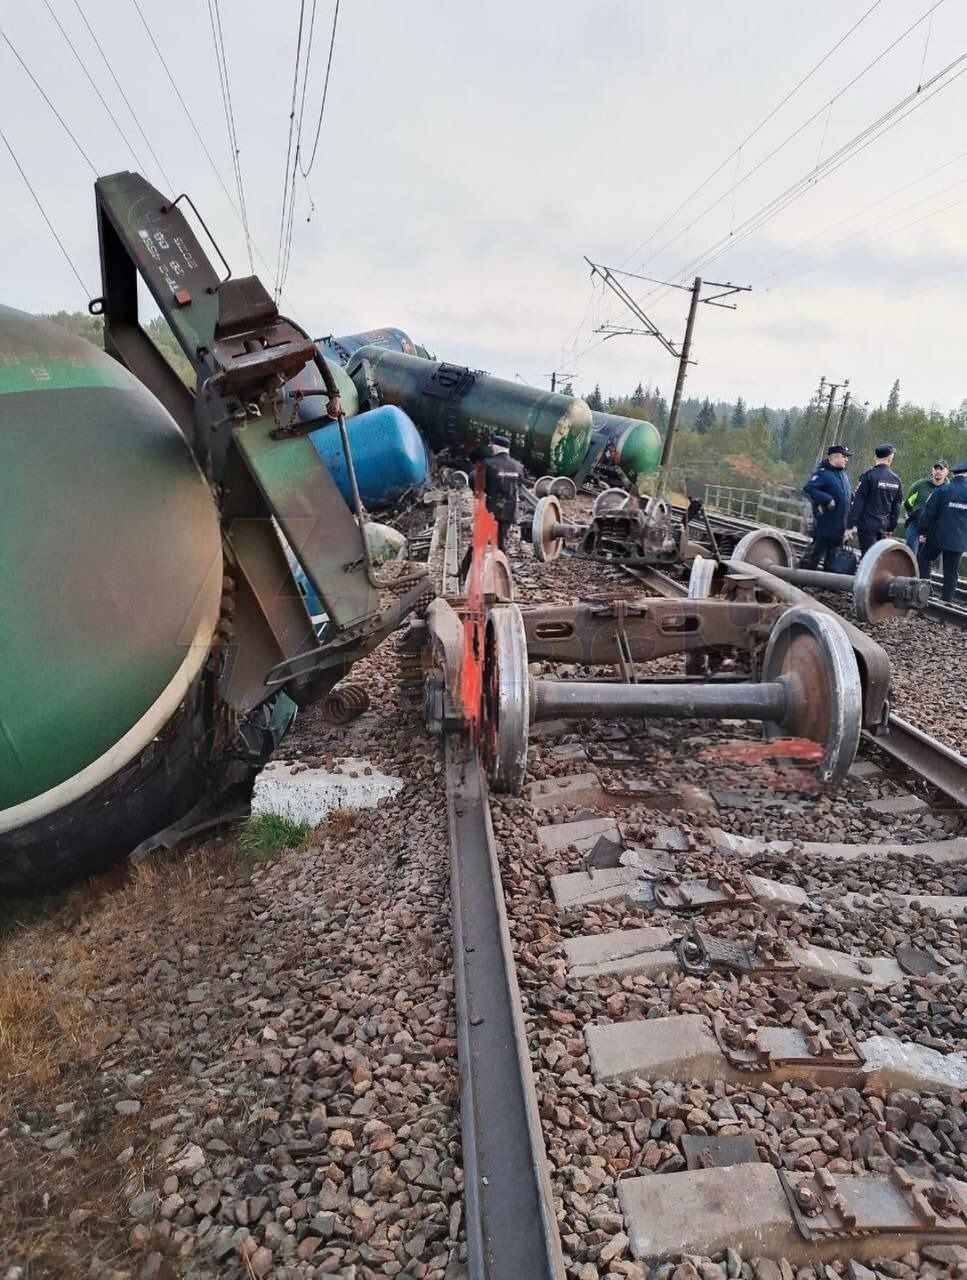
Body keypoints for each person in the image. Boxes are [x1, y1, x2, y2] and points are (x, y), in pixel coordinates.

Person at [917, 460, 967, 602]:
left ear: (954, 474)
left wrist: (923, 532)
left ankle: (924, 590)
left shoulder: (942, 491)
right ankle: (946, 601)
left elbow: (928, 515)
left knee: (924, 558)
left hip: (938, 537)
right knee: (951, 572)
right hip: (958, 540)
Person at [801, 443, 852, 570]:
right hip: (824, 526)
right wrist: (827, 498)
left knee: (832, 560)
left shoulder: (843, 475)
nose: (846, 459)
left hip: (839, 527)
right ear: (833, 457)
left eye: (847, 457)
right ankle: (804, 580)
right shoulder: (823, 473)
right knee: (815, 556)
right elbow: (809, 488)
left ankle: (824, 587)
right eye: (844, 456)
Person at [847, 443, 903, 554]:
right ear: (890, 458)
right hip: (883, 526)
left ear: (875, 457)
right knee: (877, 558)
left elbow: (858, 502)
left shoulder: (868, 476)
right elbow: (896, 506)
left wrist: (849, 525)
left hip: (867, 525)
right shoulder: (896, 479)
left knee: (867, 557)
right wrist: (891, 526)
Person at [482, 434, 525, 553]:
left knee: (481, 540)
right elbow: (520, 485)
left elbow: (481, 485)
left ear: (496, 447)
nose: (491, 448)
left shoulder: (488, 464)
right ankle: (500, 566)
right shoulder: (518, 466)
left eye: (492, 446)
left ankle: (470, 568)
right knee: (501, 541)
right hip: (510, 510)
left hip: (492, 508)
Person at [902, 460, 949, 551]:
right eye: (936, 468)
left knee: (925, 556)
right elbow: (908, 503)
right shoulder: (920, 485)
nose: (938, 471)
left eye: (941, 469)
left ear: (947, 472)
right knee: (910, 550)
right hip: (915, 524)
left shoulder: (949, 489)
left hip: (934, 528)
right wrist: (912, 513)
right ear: (932, 470)